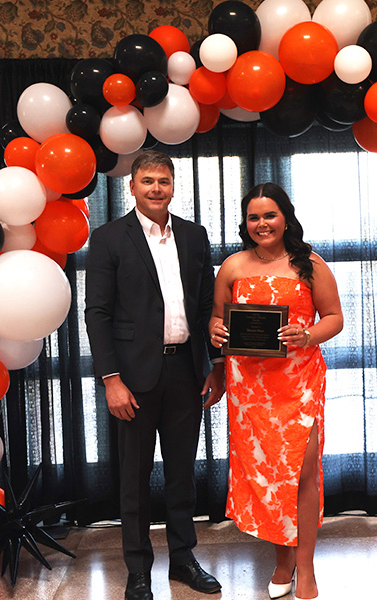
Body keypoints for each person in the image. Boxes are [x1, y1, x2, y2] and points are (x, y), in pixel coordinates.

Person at [84, 150, 225, 600]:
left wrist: (215, 366)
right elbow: (97, 313)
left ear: (173, 185)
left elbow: (206, 307)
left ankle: (183, 560)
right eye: (147, 181)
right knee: (136, 479)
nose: (156, 189)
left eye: (163, 181)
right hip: (132, 378)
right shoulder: (108, 238)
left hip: (186, 370)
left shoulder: (194, 235)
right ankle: (138, 570)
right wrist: (111, 379)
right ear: (132, 186)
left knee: (182, 474)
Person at [208, 182, 344, 600]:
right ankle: (282, 560)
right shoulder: (231, 266)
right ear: (245, 223)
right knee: (268, 476)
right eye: (254, 217)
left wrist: (307, 335)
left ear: (285, 217)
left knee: (301, 474)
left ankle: (305, 569)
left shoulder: (311, 265)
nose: (262, 223)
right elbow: (217, 319)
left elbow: (335, 318)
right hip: (249, 387)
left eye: (270, 215)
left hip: (299, 383)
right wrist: (215, 332)